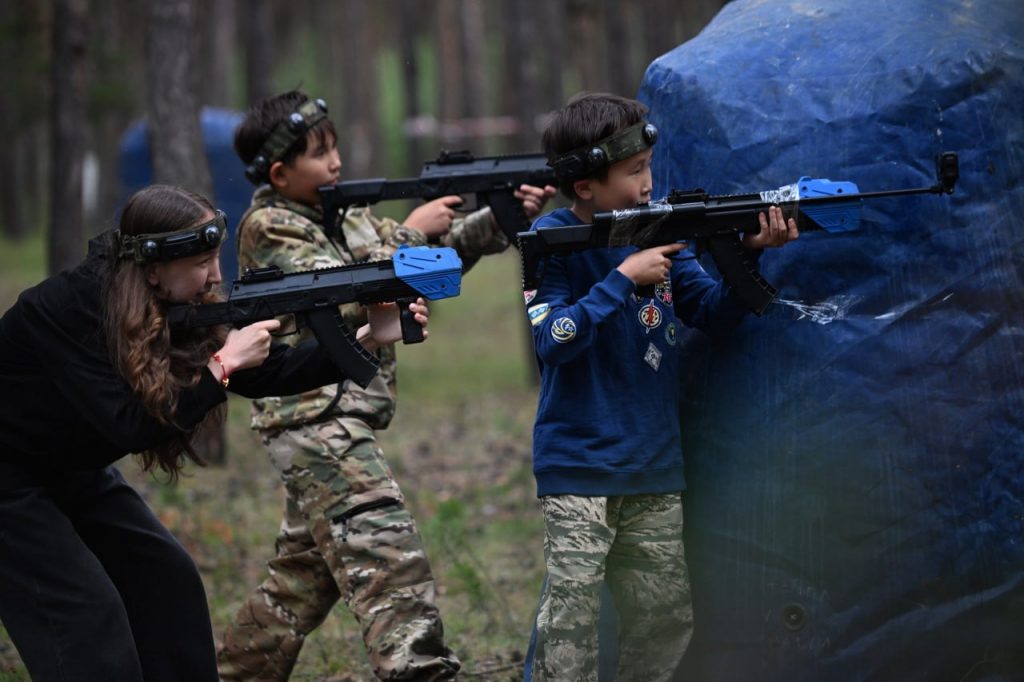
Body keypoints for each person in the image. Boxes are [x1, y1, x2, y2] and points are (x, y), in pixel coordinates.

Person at [0, 184, 423, 682]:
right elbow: (129, 425)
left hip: (69, 468)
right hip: (9, 480)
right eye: (202, 262)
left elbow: (269, 371)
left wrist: (366, 338)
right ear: (153, 268)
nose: (217, 275)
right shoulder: (71, 308)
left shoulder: (169, 300)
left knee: (167, 580)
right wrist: (220, 367)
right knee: (85, 616)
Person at [216, 90, 554, 682]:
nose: (336, 161)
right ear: (279, 173)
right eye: (319, 153)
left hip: (342, 416)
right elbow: (338, 288)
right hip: (311, 418)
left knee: (299, 585)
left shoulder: (349, 215)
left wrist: (498, 219)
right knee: (386, 553)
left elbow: (428, 266)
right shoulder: (268, 226)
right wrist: (410, 232)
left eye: (335, 147)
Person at [523, 92, 799, 682]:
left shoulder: (658, 231)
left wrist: (749, 254)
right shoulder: (551, 242)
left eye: (649, 166)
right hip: (578, 467)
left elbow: (713, 313)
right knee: (570, 627)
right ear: (584, 186)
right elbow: (553, 339)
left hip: (653, 466)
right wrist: (623, 278)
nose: (649, 183)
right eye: (634, 171)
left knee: (663, 620)